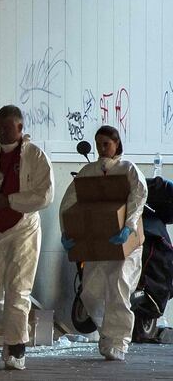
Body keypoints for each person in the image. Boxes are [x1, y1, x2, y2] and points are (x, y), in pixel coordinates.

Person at [0, 105, 54, 370]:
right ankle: (16, 329)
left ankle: (16, 348)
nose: (2, 131)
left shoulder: (36, 157)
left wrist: (11, 200)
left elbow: (45, 195)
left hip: (23, 229)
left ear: (20, 127)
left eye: (7, 127)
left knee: (18, 290)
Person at [59, 125, 147, 361]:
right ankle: (107, 334)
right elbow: (69, 202)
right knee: (91, 293)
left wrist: (128, 226)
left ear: (117, 143)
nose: (101, 148)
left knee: (118, 288)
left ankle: (119, 341)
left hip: (125, 244)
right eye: (98, 144)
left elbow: (138, 197)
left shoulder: (128, 169)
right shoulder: (89, 172)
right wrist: (66, 231)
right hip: (98, 244)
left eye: (106, 143)